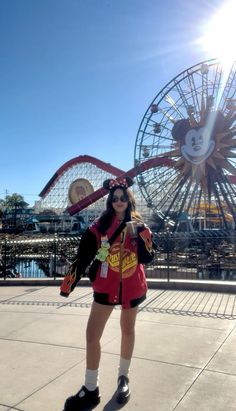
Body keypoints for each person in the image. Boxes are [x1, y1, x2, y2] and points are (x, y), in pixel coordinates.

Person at [60, 176, 155, 411]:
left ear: (129, 200)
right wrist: (67, 285)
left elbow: (148, 257)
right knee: (92, 335)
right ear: (110, 201)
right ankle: (91, 388)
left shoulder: (139, 223)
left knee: (127, 330)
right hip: (106, 285)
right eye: (115, 199)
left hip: (132, 284)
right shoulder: (99, 226)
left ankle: (124, 378)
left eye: (123, 198)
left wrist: (142, 236)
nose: (119, 202)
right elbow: (83, 256)